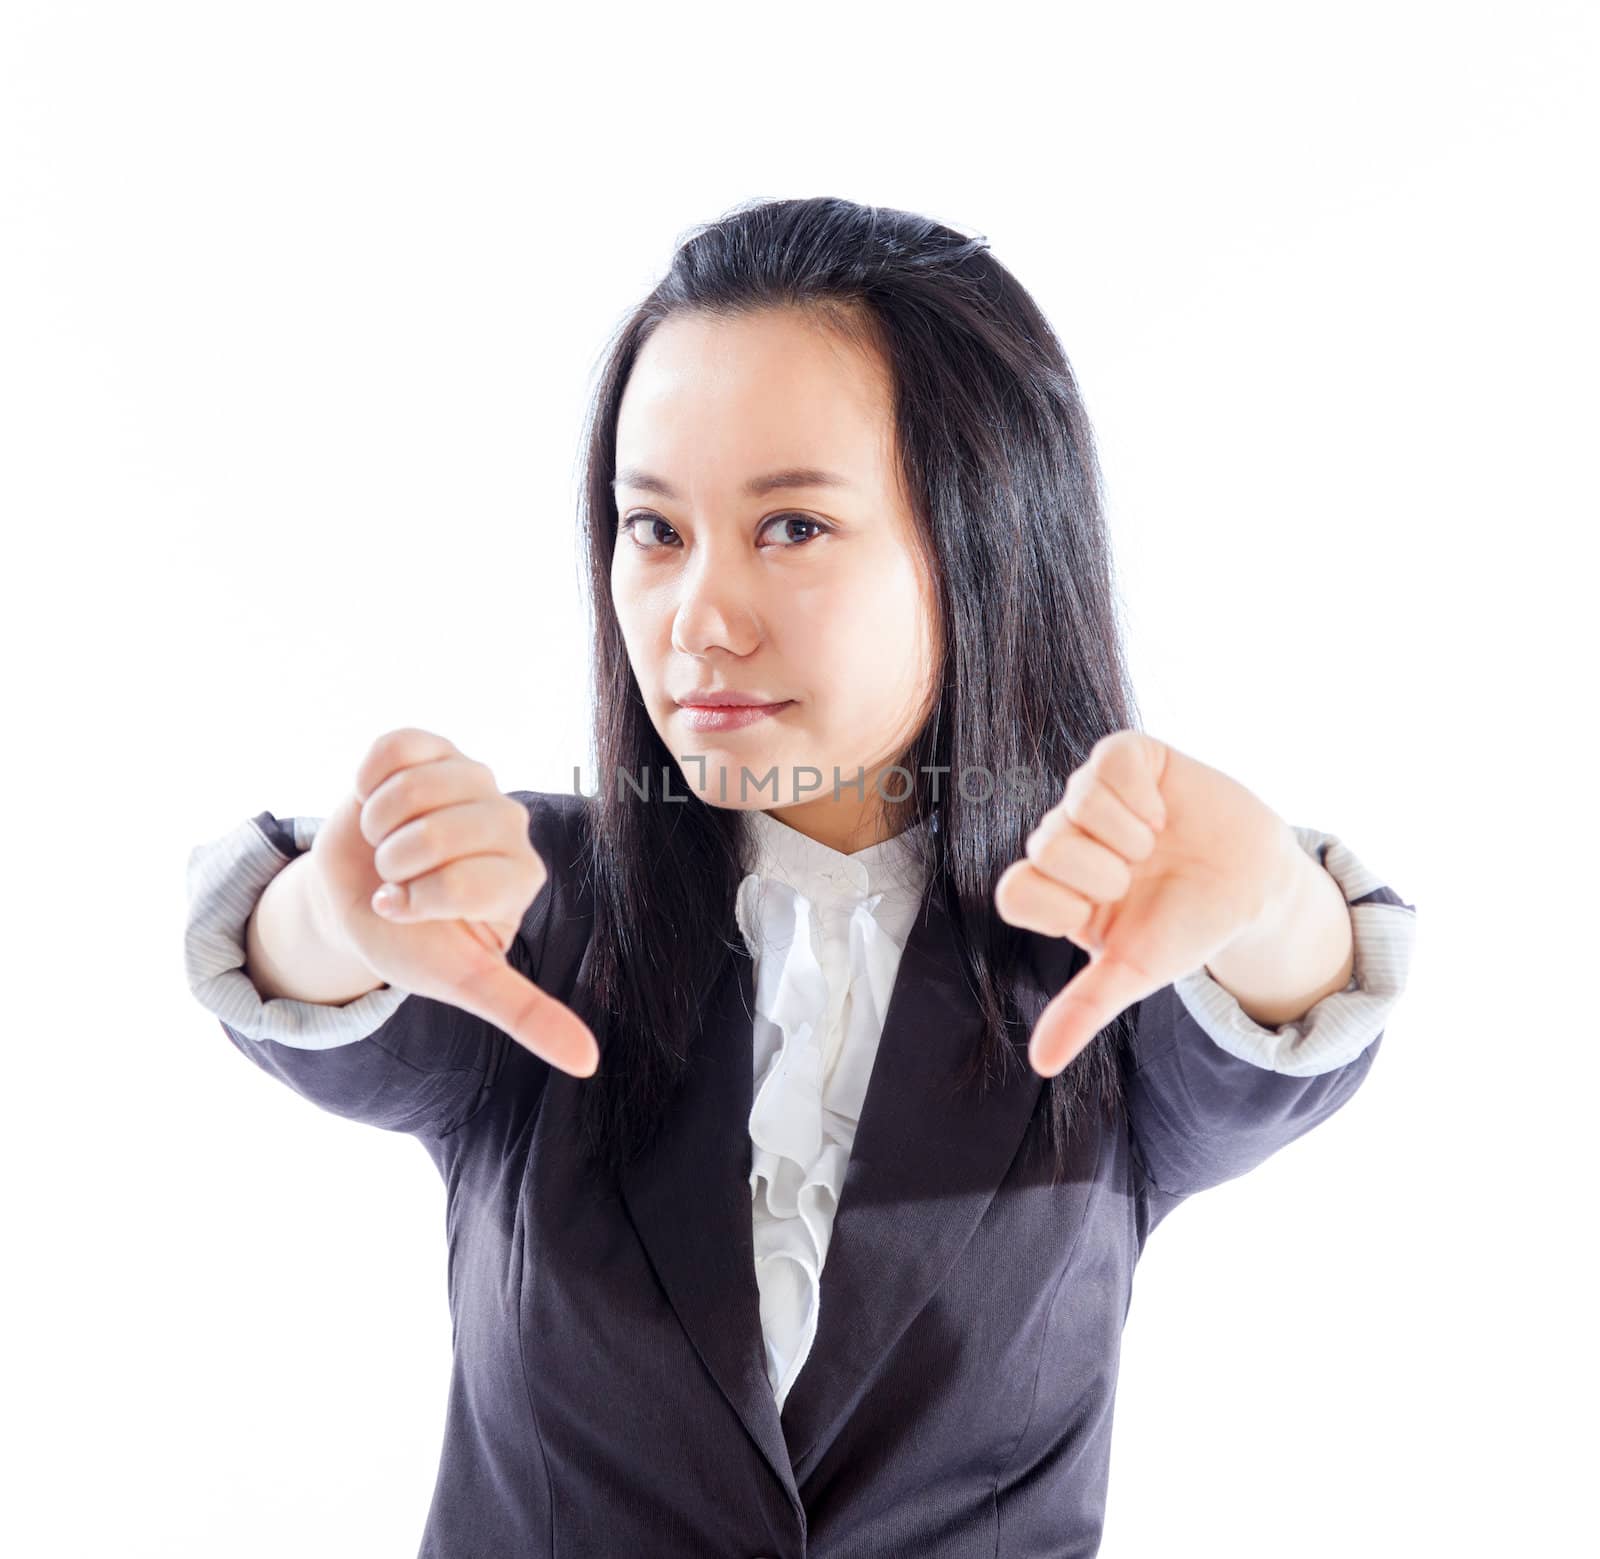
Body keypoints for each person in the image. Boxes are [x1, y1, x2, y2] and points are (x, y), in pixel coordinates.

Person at [183, 196, 1417, 1559]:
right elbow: (321, 994)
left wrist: (1271, 900)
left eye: (792, 530)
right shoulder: (525, 907)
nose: (698, 620)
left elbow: (1287, 1027)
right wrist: (322, 913)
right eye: (655, 531)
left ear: (984, 538)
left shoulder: (1095, 943)